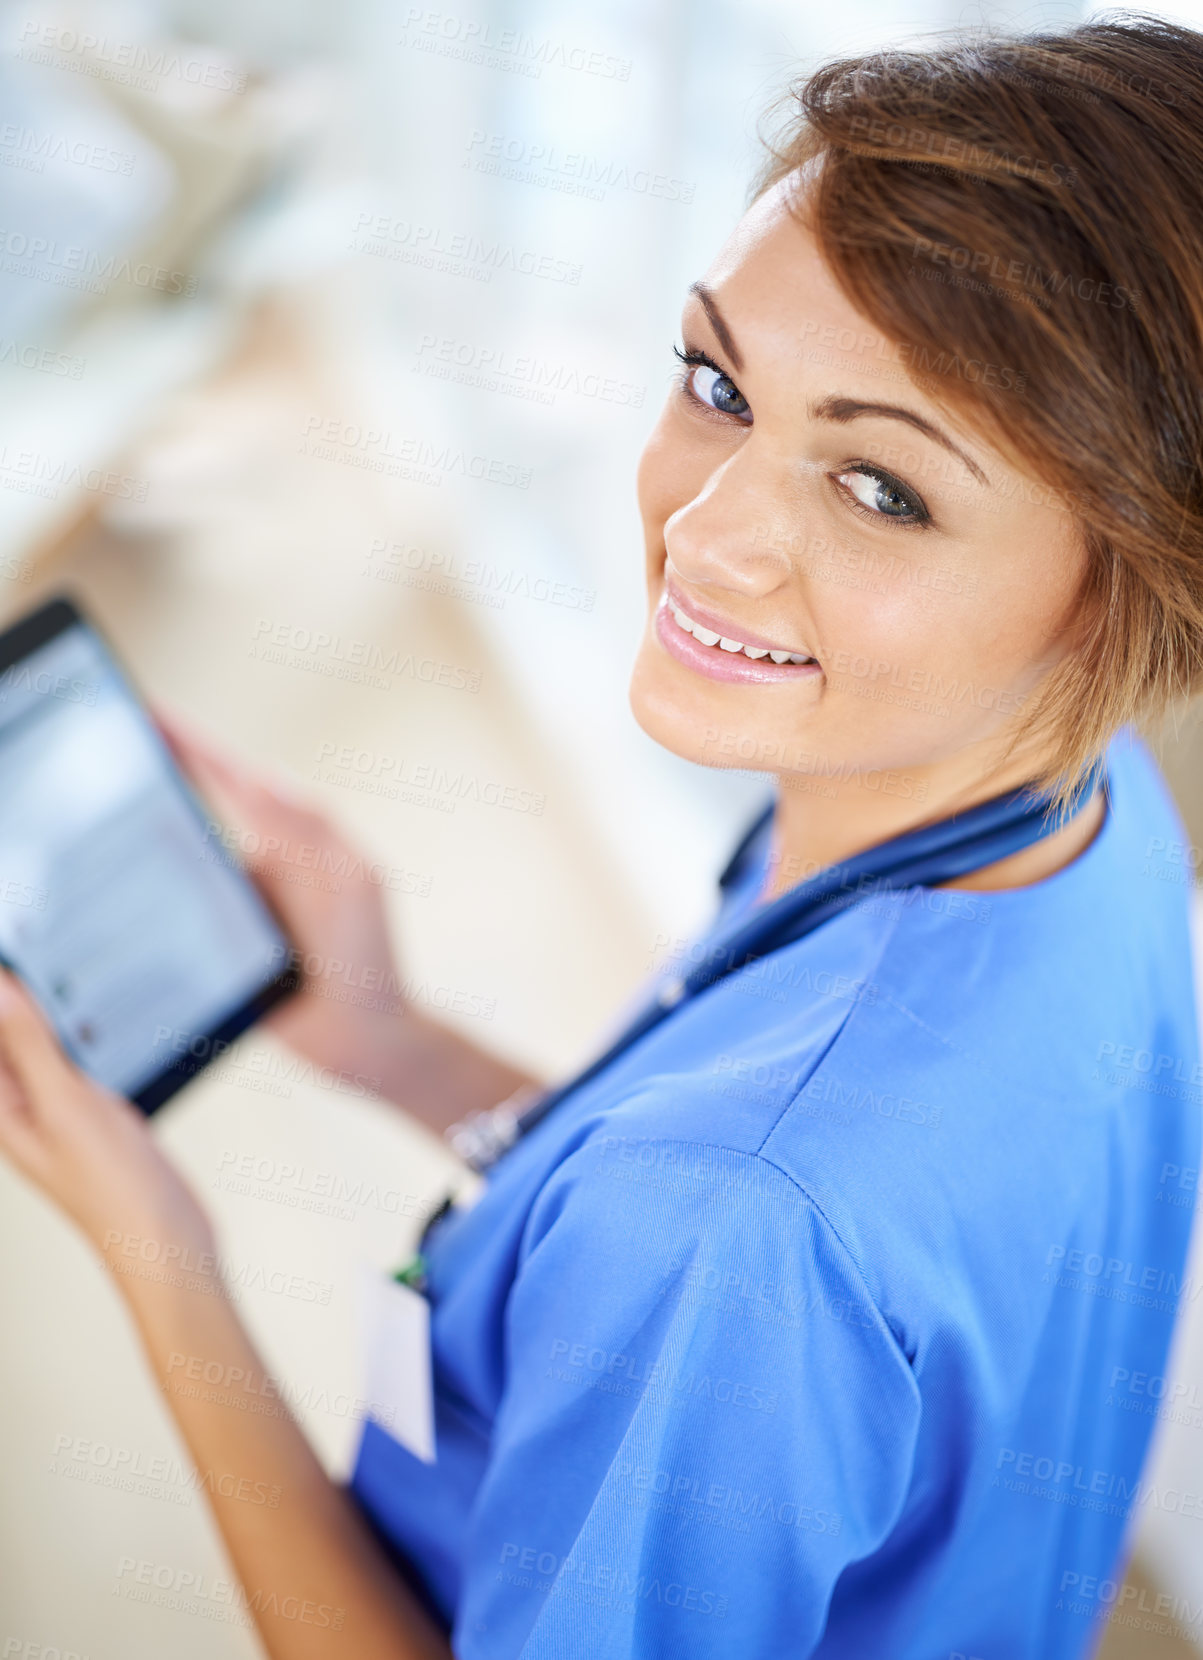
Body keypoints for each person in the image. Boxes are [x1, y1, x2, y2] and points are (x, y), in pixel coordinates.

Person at [1, 14, 1201, 1659]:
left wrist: (163, 1257)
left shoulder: (730, 1225)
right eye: (720, 383)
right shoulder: (1083, 819)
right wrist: (395, 1044)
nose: (701, 537)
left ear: (1122, 601)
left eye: (881, 490)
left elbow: (732, 1236)